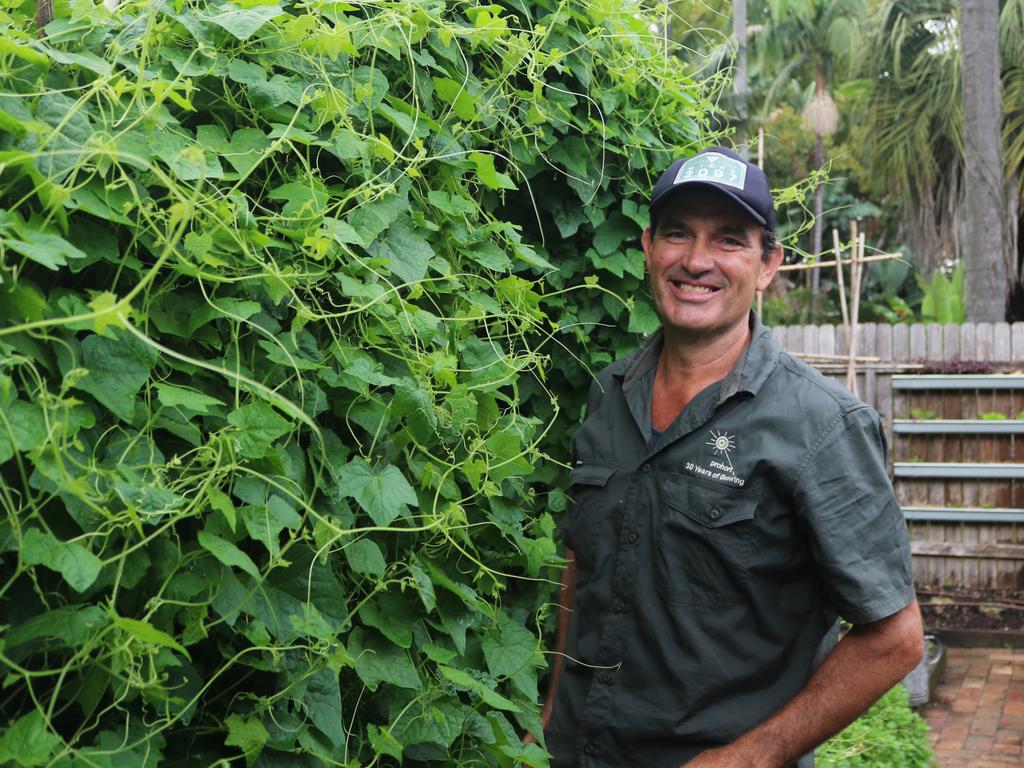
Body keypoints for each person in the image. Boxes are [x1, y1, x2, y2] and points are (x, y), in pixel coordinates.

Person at [539, 146, 924, 768]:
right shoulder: (609, 394)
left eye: (728, 240)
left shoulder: (822, 425)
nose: (696, 260)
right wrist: (551, 718)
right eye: (677, 234)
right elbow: (581, 571)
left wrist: (749, 757)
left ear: (768, 264)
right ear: (647, 246)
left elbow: (895, 639)